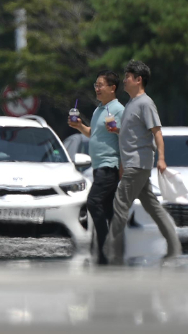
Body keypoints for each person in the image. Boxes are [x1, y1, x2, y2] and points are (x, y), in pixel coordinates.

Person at [102, 60, 182, 264]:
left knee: (119, 206)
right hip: (133, 164)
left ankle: (108, 251)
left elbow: (157, 133)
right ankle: (175, 246)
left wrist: (161, 159)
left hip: (137, 165)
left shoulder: (145, 103)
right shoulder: (131, 103)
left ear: (139, 80)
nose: (124, 80)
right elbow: (133, 134)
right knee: (152, 206)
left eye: (128, 77)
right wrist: (117, 130)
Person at [68, 70, 125, 264]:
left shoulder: (119, 109)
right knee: (108, 210)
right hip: (98, 166)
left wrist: (117, 130)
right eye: (96, 85)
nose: (97, 89)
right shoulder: (98, 109)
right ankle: (113, 251)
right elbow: (94, 133)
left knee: (93, 202)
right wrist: (80, 127)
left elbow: (127, 136)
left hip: (110, 165)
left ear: (112, 88)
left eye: (101, 85)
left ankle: (104, 248)